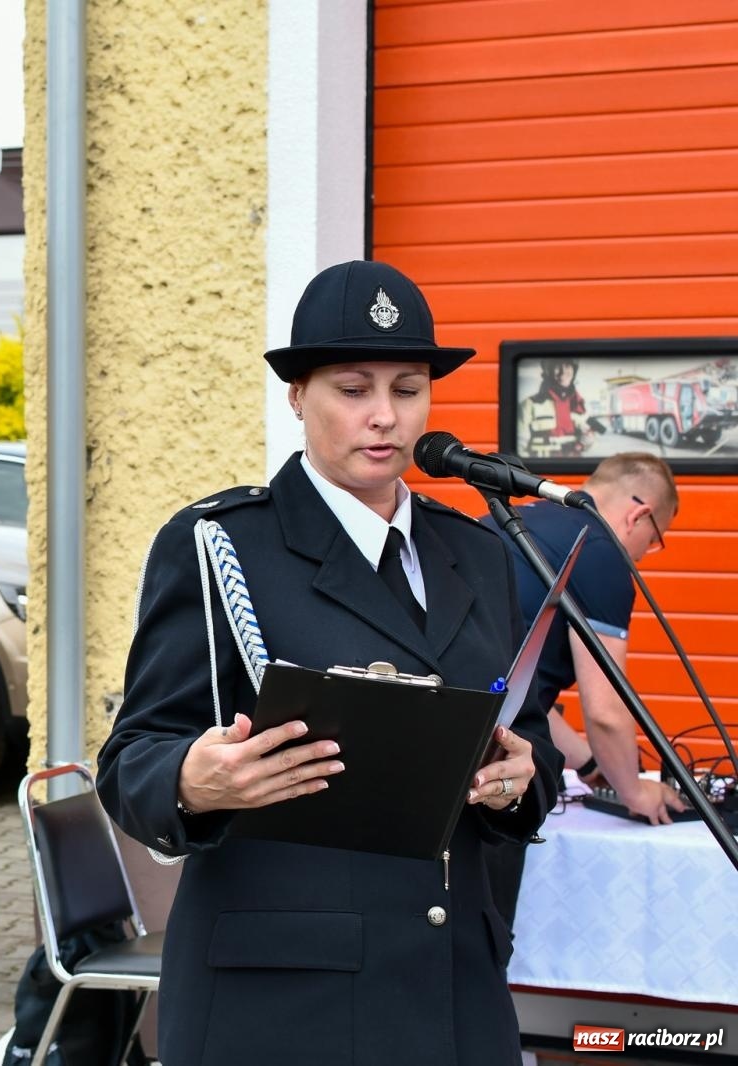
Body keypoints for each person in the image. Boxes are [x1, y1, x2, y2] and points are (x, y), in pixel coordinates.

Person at [97, 260, 562, 1066]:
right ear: (297, 396)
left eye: (408, 388)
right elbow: (132, 759)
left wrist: (521, 781)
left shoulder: (478, 552)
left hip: (454, 990)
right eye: (353, 389)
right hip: (287, 1003)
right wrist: (192, 781)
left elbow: (526, 738)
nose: (384, 416)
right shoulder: (222, 546)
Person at [480, 454, 684, 923]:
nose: (641, 555)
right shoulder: (602, 550)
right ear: (639, 515)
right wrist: (634, 792)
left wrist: (591, 764)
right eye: (653, 542)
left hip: (443, 748)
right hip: (493, 778)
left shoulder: (514, 522)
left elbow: (519, 683)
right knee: (485, 943)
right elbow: (607, 708)